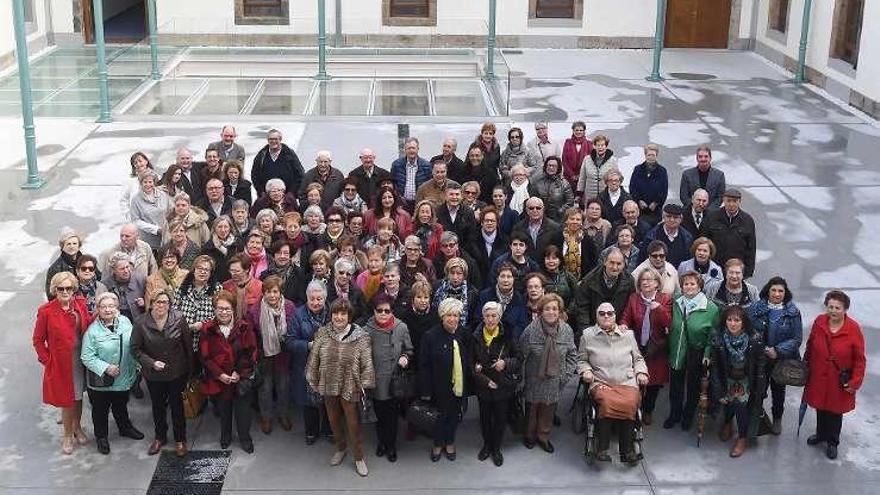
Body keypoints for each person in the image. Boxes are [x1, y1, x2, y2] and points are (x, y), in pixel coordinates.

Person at [307, 299, 376, 476]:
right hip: (328, 383)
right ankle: (341, 448)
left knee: (353, 424)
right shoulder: (322, 333)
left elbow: (367, 363)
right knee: (333, 420)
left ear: (349, 316)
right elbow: (314, 358)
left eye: (343, 314)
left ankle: (359, 457)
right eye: (336, 313)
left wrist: (366, 385)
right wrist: (312, 379)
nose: (339, 317)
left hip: (350, 385)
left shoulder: (361, 336)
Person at [578, 302, 648, 464]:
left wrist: (641, 372)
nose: (606, 316)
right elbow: (581, 360)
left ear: (615, 316)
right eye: (602, 313)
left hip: (626, 381)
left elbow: (638, 358)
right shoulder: (588, 335)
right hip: (601, 381)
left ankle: (628, 450)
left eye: (610, 313)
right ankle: (602, 448)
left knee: (631, 402)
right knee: (607, 402)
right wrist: (586, 371)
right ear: (597, 317)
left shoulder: (627, 335)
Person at [33, 272, 92, 454]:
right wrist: (47, 360)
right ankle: (67, 434)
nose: (65, 291)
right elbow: (37, 340)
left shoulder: (80, 305)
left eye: (69, 288)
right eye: (61, 288)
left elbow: (88, 324)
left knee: (79, 396)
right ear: (55, 290)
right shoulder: (46, 311)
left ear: (74, 289)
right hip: (61, 363)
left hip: (80, 358)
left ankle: (77, 427)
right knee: (67, 400)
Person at [803, 290, 866, 460]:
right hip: (818, 375)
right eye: (830, 306)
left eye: (837, 308)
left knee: (835, 412)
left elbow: (860, 359)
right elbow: (811, 343)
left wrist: (855, 382)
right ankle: (821, 434)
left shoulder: (853, 329)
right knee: (820, 407)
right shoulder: (819, 321)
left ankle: (832, 442)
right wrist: (805, 363)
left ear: (845, 309)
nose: (833, 311)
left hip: (838, 380)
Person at [131, 288, 192, 457]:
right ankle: (160, 437)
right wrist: (151, 363)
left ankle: (180, 439)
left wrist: (190, 371)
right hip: (154, 374)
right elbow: (135, 349)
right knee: (157, 406)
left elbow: (187, 346)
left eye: (165, 302)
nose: (161, 305)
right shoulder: (140, 322)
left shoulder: (179, 318)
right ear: (151, 304)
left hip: (176, 372)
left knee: (177, 406)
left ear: (170, 305)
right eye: (158, 302)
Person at [81, 292, 143, 455]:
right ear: (98, 310)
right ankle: (101, 437)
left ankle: (125, 427)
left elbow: (133, 345)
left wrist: (137, 365)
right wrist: (106, 368)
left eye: (111, 306)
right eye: (103, 307)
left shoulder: (125, 322)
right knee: (100, 411)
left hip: (123, 377)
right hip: (101, 382)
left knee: (121, 405)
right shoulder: (92, 332)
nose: (108, 310)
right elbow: (86, 357)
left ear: (117, 308)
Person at [200, 290, 259, 453]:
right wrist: (220, 374)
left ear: (233, 309)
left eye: (227, 308)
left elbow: (251, 352)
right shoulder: (207, 329)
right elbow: (205, 357)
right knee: (224, 410)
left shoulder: (244, 327)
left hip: (240, 377)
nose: (223, 312)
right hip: (220, 379)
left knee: (243, 412)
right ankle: (225, 436)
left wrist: (238, 373)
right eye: (219, 308)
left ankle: (245, 439)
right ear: (214, 310)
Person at [520, 293, 577, 453]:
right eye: (547, 309)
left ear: (560, 312)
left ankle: (543, 437)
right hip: (533, 378)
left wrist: (566, 375)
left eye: (555, 309)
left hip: (555, 379)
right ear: (541, 311)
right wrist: (521, 380)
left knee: (548, 410)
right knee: (531, 410)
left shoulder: (566, 330)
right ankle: (529, 435)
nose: (551, 312)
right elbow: (521, 355)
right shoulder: (531, 330)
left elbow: (572, 354)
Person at [748, 276, 803, 435]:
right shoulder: (756, 308)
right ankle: (756, 421)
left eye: (781, 291)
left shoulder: (793, 312)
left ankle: (777, 419)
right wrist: (764, 348)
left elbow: (796, 339)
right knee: (758, 391)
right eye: (774, 290)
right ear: (768, 290)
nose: (777, 294)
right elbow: (750, 331)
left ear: (785, 293)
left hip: (781, 360)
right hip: (760, 359)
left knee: (779, 392)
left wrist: (777, 350)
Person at [665, 271, 720, 430]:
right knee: (675, 384)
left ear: (699, 286)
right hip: (677, 348)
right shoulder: (675, 302)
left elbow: (713, 335)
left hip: (697, 351)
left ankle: (688, 417)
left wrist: (707, 354)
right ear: (681, 287)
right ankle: (674, 414)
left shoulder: (711, 308)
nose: (689, 287)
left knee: (693, 386)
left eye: (692, 284)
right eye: (685, 284)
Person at [710, 305, 766, 458]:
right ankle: (727, 422)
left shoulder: (754, 339)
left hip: (746, 379)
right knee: (727, 403)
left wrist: (760, 388)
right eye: (729, 320)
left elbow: (761, 363)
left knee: (741, 407)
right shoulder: (719, 338)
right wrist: (717, 387)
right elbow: (716, 366)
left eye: (737, 320)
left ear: (744, 322)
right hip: (727, 377)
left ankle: (742, 438)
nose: (733, 324)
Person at [470, 301, 521, 467]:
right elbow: (469, 363)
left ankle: (496, 448)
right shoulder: (475, 336)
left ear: (499, 318)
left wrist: (505, 363)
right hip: (484, 386)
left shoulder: (508, 336)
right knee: (484, 418)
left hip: (502, 386)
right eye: (487, 316)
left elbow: (519, 359)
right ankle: (487, 445)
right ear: (483, 317)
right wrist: (483, 378)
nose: (490, 319)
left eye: (494, 316)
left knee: (500, 419)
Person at [420, 298, 471, 462]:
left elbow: (468, 360)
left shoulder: (463, 333)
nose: (452, 319)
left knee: (454, 416)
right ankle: (437, 443)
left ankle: (449, 441)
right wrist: (426, 390)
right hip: (438, 387)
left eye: (455, 315)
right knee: (439, 417)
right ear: (442, 316)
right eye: (449, 315)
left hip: (458, 386)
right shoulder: (430, 336)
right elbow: (424, 365)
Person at [364, 294, 413, 463]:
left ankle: (391, 445)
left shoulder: (401, 327)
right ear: (374, 311)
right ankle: (382, 442)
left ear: (392, 311)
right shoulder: (366, 330)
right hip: (376, 380)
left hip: (394, 380)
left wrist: (405, 358)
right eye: (379, 310)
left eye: (387, 310)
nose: (383, 314)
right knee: (379, 414)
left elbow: (409, 349)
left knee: (392, 415)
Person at [620, 269, 672, 425]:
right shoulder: (634, 298)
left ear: (657, 283)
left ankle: (648, 410)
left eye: (650, 279)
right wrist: (623, 325)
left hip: (656, 348)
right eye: (643, 279)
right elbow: (626, 317)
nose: (646, 282)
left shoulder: (665, 299)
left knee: (653, 383)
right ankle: (636, 409)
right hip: (637, 346)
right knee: (636, 380)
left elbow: (669, 323)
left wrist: (658, 308)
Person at [248, 276, 295, 435]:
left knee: (283, 386)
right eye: (268, 292)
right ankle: (266, 417)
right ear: (263, 293)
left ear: (280, 292)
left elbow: (293, 330)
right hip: (264, 355)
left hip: (284, 355)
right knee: (265, 388)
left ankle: (283, 414)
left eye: (275, 291)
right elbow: (251, 334)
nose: (272, 295)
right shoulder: (255, 309)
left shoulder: (289, 307)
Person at [287, 281, 330, 445]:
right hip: (305, 364)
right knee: (308, 401)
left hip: (327, 365)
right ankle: (311, 431)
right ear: (307, 298)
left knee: (328, 399)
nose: (315, 302)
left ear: (324, 298)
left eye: (319, 299)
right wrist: (308, 345)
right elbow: (290, 341)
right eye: (312, 299)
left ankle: (329, 429)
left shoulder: (331, 313)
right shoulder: (298, 315)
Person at [571, 249, 635, 336]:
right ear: (605, 262)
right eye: (611, 263)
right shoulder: (589, 281)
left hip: (618, 328)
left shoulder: (629, 281)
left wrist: (624, 324)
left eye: (619, 264)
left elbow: (630, 307)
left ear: (624, 264)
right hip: (594, 327)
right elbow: (582, 307)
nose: (615, 267)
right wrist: (586, 330)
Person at [174, 254, 223, 359]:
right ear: (194, 270)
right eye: (200, 268)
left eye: (207, 270)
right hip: (183, 338)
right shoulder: (181, 288)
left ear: (210, 273)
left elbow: (220, 314)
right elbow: (173, 313)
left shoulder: (217, 289)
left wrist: (203, 324)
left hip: (207, 338)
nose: (203, 272)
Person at [704, 188, 757, 278]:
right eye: (728, 201)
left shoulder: (747, 220)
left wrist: (748, 272)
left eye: (735, 201)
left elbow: (751, 248)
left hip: (736, 271)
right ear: (723, 201)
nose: (731, 204)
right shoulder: (712, 217)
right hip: (715, 268)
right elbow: (704, 242)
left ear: (739, 202)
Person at [476, 263, 530, 340]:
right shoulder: (485, 296)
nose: (505, 280)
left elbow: (521, 325)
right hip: (486, 339)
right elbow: (478, 319)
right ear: (497, 278)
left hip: (510, 342)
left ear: (514, 279)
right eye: (502, 276)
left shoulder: (520, 299)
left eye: (509, 277)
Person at [252, 128, 305, 197]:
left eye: (276, 139)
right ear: (267, 140)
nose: (273, 141)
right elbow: (255, 176)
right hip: (266, 197)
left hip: (286, 197)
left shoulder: (289, 154)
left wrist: (291, 193)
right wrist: (261, 192)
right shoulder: (261, 155)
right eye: (271, 139)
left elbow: (300, 175)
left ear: (280, 139)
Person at [46, 228, 95, 300]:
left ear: (79, 246)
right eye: (68, 244)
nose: (72, 246)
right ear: (62, 247)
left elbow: (98, 279)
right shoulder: (55, 268)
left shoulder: (88, 262)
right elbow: (51, 294)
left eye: (74, 243)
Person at [641, 204, 694, 268]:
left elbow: (689, 262)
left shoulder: (687, 238)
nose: (672, 220)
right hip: (656, 274)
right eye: (668, 216)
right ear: (663, 217)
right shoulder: (651, 237)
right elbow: (644, 260)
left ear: (681, 219)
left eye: (675, 217)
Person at [130, 171, 171, 251]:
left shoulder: (163, 195)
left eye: (150, 182)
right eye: (145, 182)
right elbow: (136, 221)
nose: (148, 185)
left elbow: (171, 211)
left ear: (154, 182)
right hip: (148, 242)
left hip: (165, 238)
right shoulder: (136, 199)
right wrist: (156, 229)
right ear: (141, 183)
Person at [433, 257, 479, 328]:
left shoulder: (472, 292)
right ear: (447, 274)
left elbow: (473, 319)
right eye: (452, 273)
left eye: (459, 273)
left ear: (464, 275)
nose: (455, 277)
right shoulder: (437, 287)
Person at [555, 207, 599, 280]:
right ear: (566, 221)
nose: (575, 222)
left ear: (582, 222)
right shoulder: (557, 238)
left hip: (583, 282)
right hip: (561, 281)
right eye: (572, 219)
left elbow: (593, 263)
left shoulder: (588, 240)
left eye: (578, 219)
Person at [628, 143, 667, 226]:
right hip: (640, 210)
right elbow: (632, 187)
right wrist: (639, 201)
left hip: (655, 211)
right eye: (649, 155)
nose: (651, 157)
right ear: (645, 155)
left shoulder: (662, 171)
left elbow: (664, 190)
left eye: (653, 155)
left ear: (657, 156)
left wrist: (656, 203)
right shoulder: (638, 169)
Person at [528, 155, 575, 223]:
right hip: (541, 219)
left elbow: (570, 202)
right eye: (549, 165)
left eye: (554, 166)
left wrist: (560, 211)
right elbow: (532, 199)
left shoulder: (564, 183)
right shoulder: (538, 182)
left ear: (558, 168)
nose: (551, 167)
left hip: (558, 219)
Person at [102, 252, 147, 323]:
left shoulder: (141, 280)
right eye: (122, 269)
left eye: (127, 267)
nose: (126, 271)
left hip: (138, 324)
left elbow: (151, 304)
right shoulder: (105, 285)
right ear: (114, 270)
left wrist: (145, 303)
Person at [261, 240, 306, 305]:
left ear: (290, 256)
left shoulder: (299, 273)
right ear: (274, 256)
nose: (282, 256)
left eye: (286, 253)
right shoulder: (265, 275)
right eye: (279, 253)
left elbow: (301, 299)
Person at [577, 135, 618, 205]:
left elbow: (616, 179)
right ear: (594, 146)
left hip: (606, 196)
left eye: (602, 145)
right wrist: (579, 194)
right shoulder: (587, 159)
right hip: (590, 196)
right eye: (598, 145)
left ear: (606, 146)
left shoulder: (613, 160)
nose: (600, 147)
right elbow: (582, 178)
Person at [436, 181, 478, 249]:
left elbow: (471, 237)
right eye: (451, 194)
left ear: (461, 196)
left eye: (457, 194)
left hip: (463, 250)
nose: (454, 197)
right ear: (445, 196)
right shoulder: (437, 211)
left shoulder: (468, 212)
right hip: (442, 250)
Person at [390, 137, 431, 206]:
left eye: (413, 148)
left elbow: (429, 185)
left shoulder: (426, 165)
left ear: (418, 149)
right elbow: (392, 183)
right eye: (409, 148)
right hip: (401, 203)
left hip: (420, 204)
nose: (411, 150)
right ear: (405, 150)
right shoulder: (396, 165)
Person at [327, 258, 369, 324]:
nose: (344, 276)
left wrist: (352, 327)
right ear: (335, 273)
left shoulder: (358, 292)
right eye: (341, 273)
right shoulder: (326, 290)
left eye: (348, 274)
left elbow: (364, 315)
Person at [223, 254, 263, 320]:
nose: (233, 274)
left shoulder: (259, 286)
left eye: (237, 271)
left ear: (247, 270)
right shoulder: (226, 286)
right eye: (231, 270)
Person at [541, 245, 579, 315]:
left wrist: (568, 312)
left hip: (567, 316)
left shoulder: (568, 276)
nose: (551, 261)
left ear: (560, 260)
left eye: (554, 258)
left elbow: (577, 296)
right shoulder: (540, 276)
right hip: (546, 314)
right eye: (548, 258)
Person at [201, 215, 240, 282]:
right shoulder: (208, 247)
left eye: (226, 227)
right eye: (219, 227)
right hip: (214, 283)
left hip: (234, 282)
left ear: (230, 228)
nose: (223, 230)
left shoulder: (237, 244)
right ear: (214, 228)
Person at [121, 151, 156, 220]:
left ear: (146, 161)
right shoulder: (131, 181)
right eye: (135, 163)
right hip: (136, 219)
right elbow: (123, 200)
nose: (138, 164)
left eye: (140, 161)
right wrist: (129, 215)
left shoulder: (156, 177)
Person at [561, 121, 593, 192]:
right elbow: (564, 160)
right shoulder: (567, 142)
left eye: (581, 130)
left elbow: (590, 162)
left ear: (584, 131)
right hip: (569, 177)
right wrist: (572, 175)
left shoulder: (589, 144)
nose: (579, 132)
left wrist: (580, 175)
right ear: (573, 131)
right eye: (577, 130)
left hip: (584, 178)